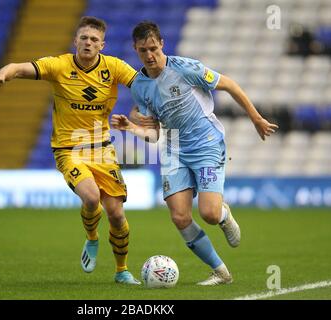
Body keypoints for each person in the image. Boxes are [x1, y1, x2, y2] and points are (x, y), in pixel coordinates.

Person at [111, 21, 279, 285]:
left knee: (209, 214)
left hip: (206, 144)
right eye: (143, 50)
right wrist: (130, 127)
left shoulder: (186, 68)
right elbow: (153, 133)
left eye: (153, 48)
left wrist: (256, 118)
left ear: (162, 44)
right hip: (173, 148)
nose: (150, 55)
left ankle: (223, 215)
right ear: (135, 49)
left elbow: (230, 85)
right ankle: (221, 272)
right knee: (179, 216)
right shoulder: (140, 86)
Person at [0, 16, 140, 285]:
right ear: (75, 41)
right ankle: (92, 239)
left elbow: (143, 86)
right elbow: (19, 68)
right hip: (69, 149)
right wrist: (3, 75)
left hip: (102, 149)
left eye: (94, 39)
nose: (88, 43)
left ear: (102, 44)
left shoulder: (114, 67)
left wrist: (148, 110)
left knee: (116, 213)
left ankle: (121, 270)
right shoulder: (59, 65)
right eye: (84, 38)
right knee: (91, 198)